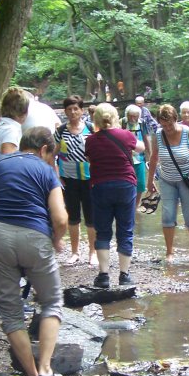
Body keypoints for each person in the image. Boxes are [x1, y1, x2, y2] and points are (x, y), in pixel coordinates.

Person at [0, 126, 69, 376]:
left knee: (10, 309)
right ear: (44, 150)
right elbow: (60, 218)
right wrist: (55, 240)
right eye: (51, 155)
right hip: (35, 236)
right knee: (51, 302)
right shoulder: (46, 171)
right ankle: (46, 370)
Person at [84, 102, 144, 287]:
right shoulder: (126, 135)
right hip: (125, 185)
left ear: (96, 119)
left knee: (102, 231)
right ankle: (124, 275)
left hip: (100, 185)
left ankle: (103, 276)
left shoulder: (91, 140)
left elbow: (89, 158)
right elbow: (141, 148)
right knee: (125, 230)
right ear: (115, 117)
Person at [149, 104, 189, 259]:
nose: (168, 128)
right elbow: (154, 158)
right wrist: (150, 181)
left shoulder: (187, 133)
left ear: (176, 119)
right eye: (164, 125)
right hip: (167, 179)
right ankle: (169, 252)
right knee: (167, 215)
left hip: (187, 180)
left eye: (170, 124)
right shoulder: (158, 135)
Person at [54, 95, 94, 262]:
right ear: (65, 111)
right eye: (69, 109)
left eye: (75, 109)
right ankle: (75, 252)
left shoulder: (91, 128)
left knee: (91, 217)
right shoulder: (60, 130)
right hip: (68, 179)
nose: (72, 112)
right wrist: (56, 175)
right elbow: (52, 155)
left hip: (89, 178)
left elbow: (99, 152)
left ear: (82, 110)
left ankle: (93, 252)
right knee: (73, 216)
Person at [124, 103, 149, 193]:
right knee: (127, 183)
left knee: (141, 185)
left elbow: (146, 139)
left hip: (140, 158)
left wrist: (149, 155)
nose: (133, 119)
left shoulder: (142, 123)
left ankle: (136, 206)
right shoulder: (122, 122)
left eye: (135, 116)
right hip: (125, 159)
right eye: (130, 116)